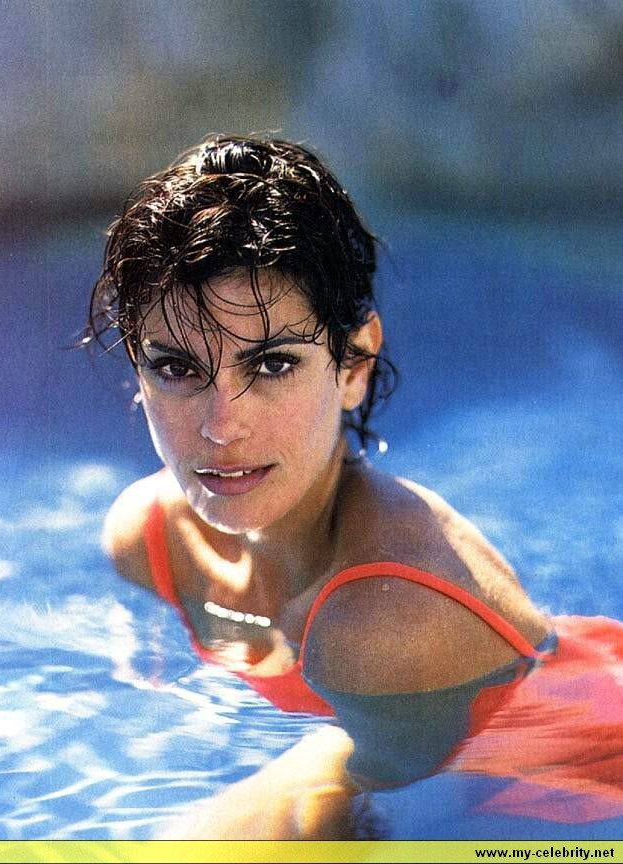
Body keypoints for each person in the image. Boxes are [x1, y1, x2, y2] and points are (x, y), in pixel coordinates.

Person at [86, 135, 623, 839]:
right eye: (178, 368)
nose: (221, 427)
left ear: (354, 364)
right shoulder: (150, 540)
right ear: (137, 368)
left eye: (272, 364)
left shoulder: (381, 623)